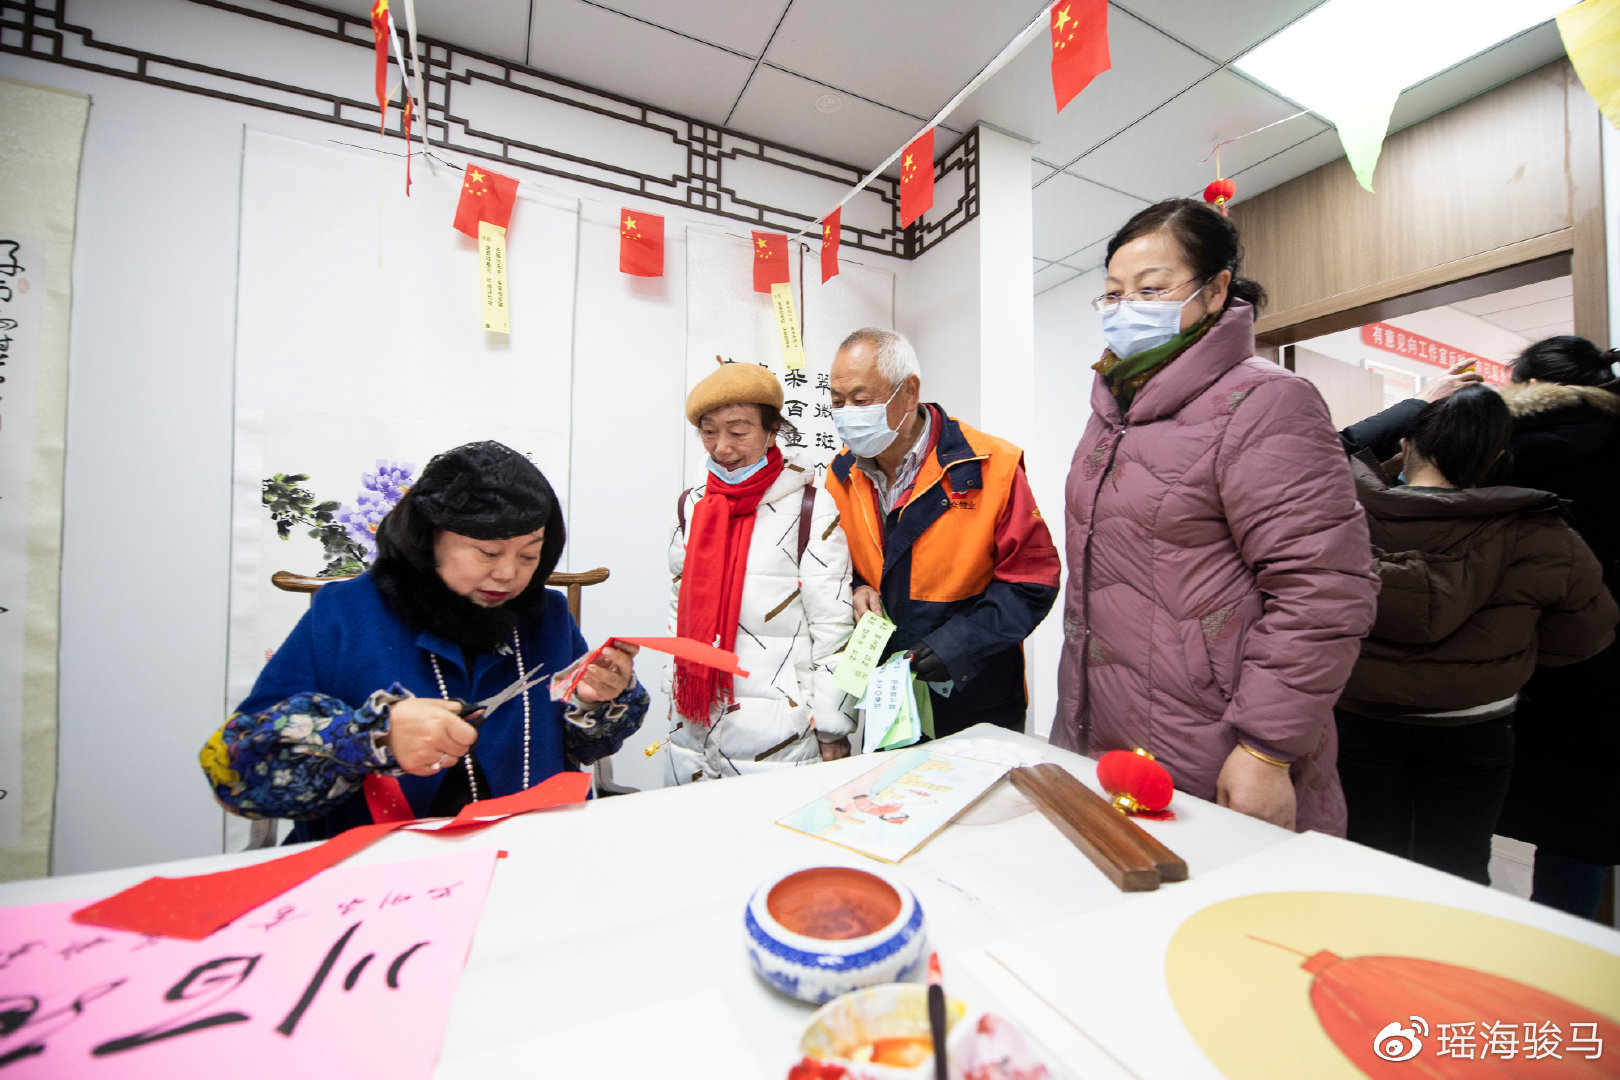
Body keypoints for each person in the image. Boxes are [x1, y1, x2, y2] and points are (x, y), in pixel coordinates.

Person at [1052, 198, 1378, 835]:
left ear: (1216, 288)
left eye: (1150, 289)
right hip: (1105, 727)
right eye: (1113, 294)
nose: (1126, 309)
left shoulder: (1266, 402)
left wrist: (1265, 749)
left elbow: (1323, 590)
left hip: (1214, 741)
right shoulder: (1113, 409)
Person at [201, 441, 648, 840]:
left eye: (530, 554)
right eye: (488, 552)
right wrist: (371, 737)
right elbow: (238, 773)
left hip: (529, 858)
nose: (510, 572)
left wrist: (599, 700)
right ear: (428, 536)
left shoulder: (544, 614)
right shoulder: (345, 612)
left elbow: (585, 746)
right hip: (376, 874)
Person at [1336, 387, 1616, 884]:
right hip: (1473, 727)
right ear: (1497, 459)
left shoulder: (1344, 516)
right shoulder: (1539, 531)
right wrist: (1509, 651)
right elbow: (1585, 633)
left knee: (1367, 859)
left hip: (1360, 714)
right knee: (1459, 864)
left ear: (1407, 444)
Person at [824, 328, 1061, 739]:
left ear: (909, 392)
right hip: (888, 700)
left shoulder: (992, 466)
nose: (847, 413)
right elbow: (835, 566)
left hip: (976, 689)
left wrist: (959, 644)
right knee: (892, 801)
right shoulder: (841, 473)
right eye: (837, 402)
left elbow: (1031, 581)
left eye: (861, 401)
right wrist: (855, 587)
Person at [665, 363, 857, 781]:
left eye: (739, 431)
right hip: (693, 725)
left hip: (778, 734)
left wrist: (832, 724)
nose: (722, 447)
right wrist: (673, 692)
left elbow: (833, 625)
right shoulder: (692, 506)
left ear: (773, 431)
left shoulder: (811, 506)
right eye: (709, 431)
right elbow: (678, 611)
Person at [1491, 336, 1620, 917]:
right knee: (1583, 825)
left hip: (1502, 663)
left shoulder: (1487, 448)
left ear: (1523, 383)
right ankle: (1566, 965)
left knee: (1460, 819)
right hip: (1605, 660)